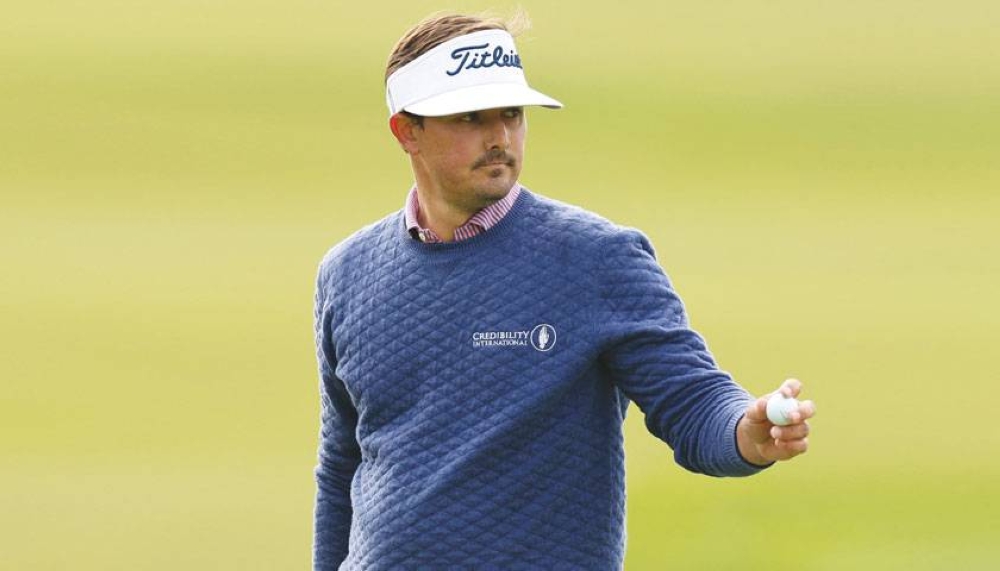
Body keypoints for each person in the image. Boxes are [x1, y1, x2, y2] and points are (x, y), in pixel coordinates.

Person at [312, 12, 815, 571]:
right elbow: (345, 465)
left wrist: (744, 431)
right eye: (471, 117)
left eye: (511, 114)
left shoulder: (598, 258)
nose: (499, 137)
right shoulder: (347, 272)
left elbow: (693, 405)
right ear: (407, 130)